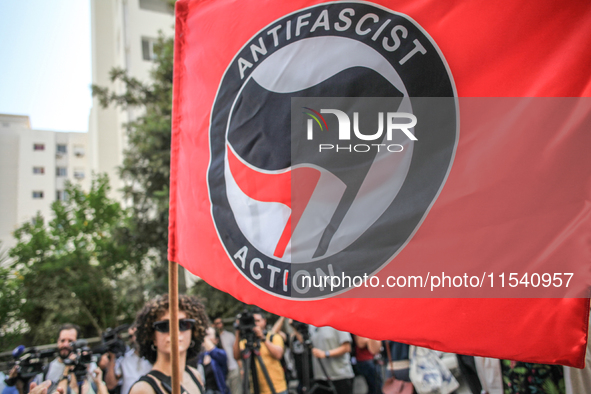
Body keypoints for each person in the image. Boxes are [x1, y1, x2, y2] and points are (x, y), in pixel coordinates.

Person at [130, 294, 208, 394]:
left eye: (184, 324)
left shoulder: (195, 375)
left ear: (193, 331)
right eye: (164, 326)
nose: (175, 331)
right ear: (152, 336)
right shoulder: (143, 389)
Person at [232, 310, 287, 394]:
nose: (255, 324)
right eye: (254, 321)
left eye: (258, 321)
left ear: (264, 321)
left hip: (278, 389)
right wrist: (238, 333)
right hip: (256, 390)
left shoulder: (273, 337)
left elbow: (278, 355)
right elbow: (236, 356)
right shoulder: (246, 342)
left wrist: (263, 338)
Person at [105, 326, 152, 394]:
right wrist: (112, 357)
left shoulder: (155, 357)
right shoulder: (124, 359)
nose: (134, 338)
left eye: (136, 334)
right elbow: (110, 385)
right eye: (130, 336)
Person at [309, 326, 354, 394]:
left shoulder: (337, 322)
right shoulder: (312, 325)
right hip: (320, 376)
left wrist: (326, 354)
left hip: (339, 376)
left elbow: (347, 347)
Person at [212, 318, 240, 394]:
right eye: (217, 323)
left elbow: (236, 351)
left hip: (233, 368)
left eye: (220, 322)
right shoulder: (213, 338)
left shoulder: (229, 335)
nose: (219, 325)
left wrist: (241, 368)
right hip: (222, 371)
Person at [198, 327, 229, 394]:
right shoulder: (200, 356)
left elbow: (214, 352)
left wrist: (204, 337)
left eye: (208, 334)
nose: (205, 337)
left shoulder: (221, 354)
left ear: (216, 340)